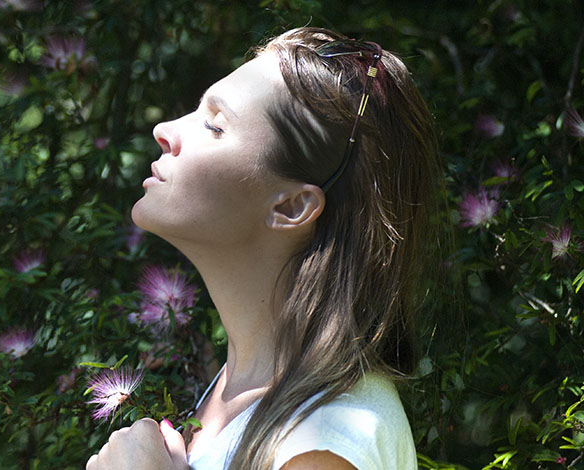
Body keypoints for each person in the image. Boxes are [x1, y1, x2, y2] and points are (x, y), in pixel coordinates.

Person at [86, 26, 440, 470]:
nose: (164, 130)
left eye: (214, 125)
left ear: (292, 206)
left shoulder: (324, 439)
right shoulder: (242, 392)